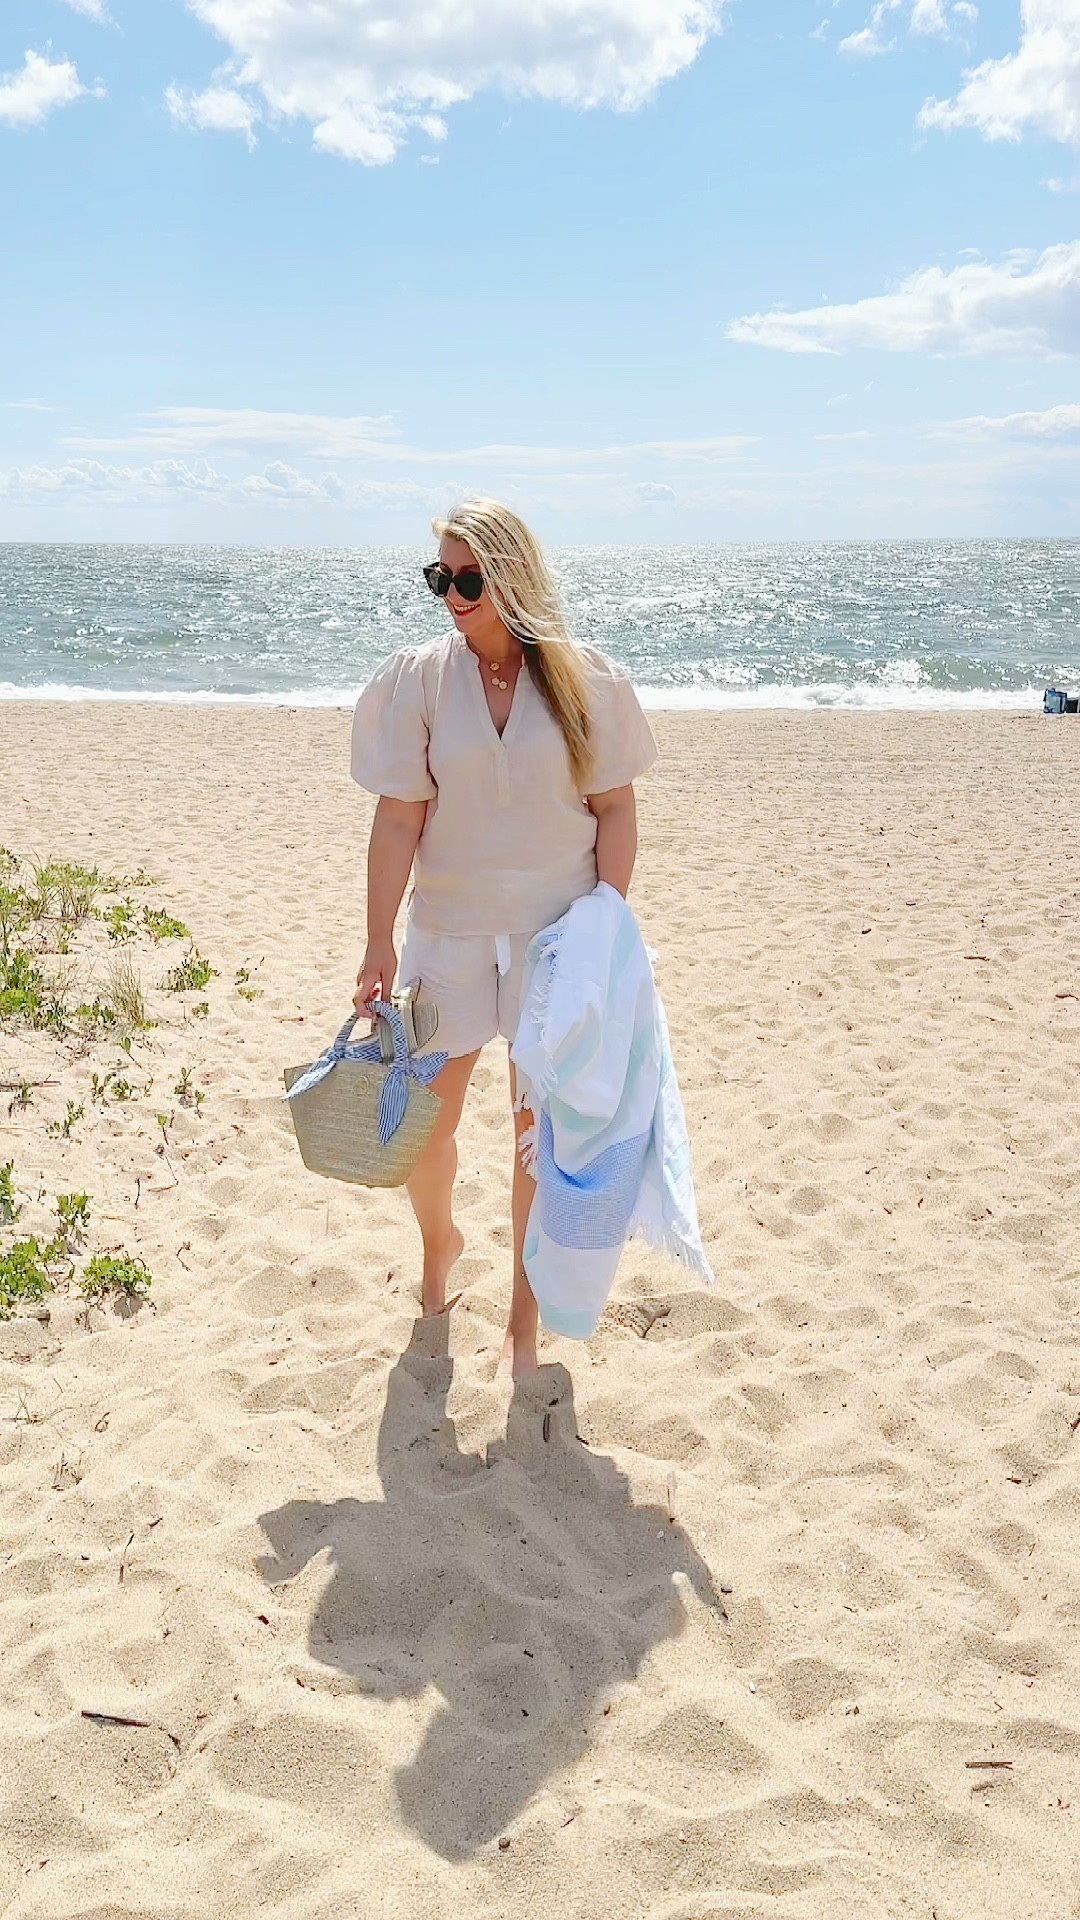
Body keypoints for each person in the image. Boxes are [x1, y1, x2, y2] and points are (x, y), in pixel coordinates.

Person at [350, 499, 657, 1376]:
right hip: (445, 931)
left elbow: (616, 810)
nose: (451, 594)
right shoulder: (420, 680)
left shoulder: (583, 680)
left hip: (553, 943)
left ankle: (522, 1325)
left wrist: (605, 922)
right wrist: (377, 944)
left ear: (511, 577)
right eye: (439, 578)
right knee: (421, 1124)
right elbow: (398, 819)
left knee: (534, 1136)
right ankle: (439, 1244)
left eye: (469, 579)